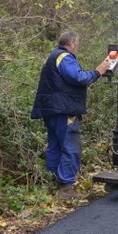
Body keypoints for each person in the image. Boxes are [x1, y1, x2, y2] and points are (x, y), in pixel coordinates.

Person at [31, 30, 111, 201]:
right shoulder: (64, 57)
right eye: (77, 44)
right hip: (64, 110)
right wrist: (98, 71)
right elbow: (79, 78)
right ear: (73, 43)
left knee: (55, 146)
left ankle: (55, 183)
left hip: (51, 110)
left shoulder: (53, 56)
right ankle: (66, 189)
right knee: (70, 148)